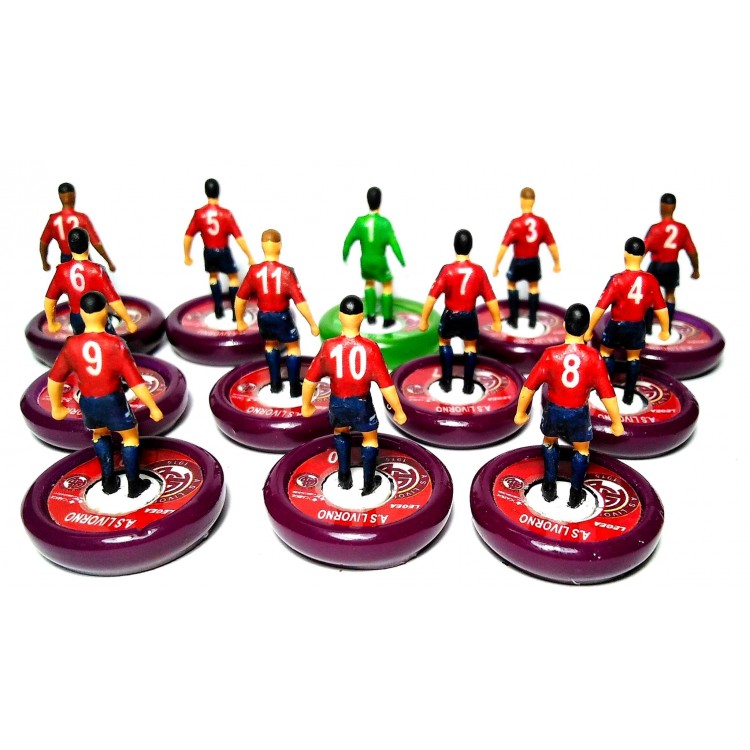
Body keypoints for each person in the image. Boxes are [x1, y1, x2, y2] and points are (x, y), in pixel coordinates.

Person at [47, 292, 164, 498]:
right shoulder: (116, 344)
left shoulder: (71, 344)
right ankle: (134, 485)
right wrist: (152, 407)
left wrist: (56, 406)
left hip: (88, 402)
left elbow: (55, 379)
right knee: (130, 437)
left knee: (99, 434)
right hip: (113, 400)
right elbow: (135, 382)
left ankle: (108, 482)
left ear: (82, 314)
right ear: (105, 312)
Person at [514, 303, 624, 509]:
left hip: (554, 410)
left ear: (564, 325)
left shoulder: (550, 354)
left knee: (549, 442)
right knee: (582, 450)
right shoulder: (594, 358)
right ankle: (575, 494)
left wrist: (521, 412)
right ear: (586, 328)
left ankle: (549, 487)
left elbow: (529, 386)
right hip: (579, 414)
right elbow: (607, 394)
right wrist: (616, 422)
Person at [301, 295, 407, 496]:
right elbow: (386, 386)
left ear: (340, 317)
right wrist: (398, 411)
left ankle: (344, 477)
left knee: (340, 432)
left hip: (337, 402)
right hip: (361, 403)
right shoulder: (371, 348)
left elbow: (310, 380)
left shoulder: (328, 347)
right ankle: (369, 482)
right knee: (370, 438)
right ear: (362, 317)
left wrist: (306, 404)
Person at [585, 237, 670, 405]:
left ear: (625, 254)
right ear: (643, 255)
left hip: (617, 324)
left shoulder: (617, 279)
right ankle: (629, 396)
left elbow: (600, 307)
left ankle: (605, 392)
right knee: (633, 357)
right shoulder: (651, 280)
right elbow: (661, 308)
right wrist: (665, 329)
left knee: (606, 352)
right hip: (638, 326)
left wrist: (589, 329)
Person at [235, 229, 319, 396]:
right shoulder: (287, 272)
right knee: (293, 346)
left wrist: (240, 320)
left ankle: (275, 384)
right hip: (282, 316)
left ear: (262, 246)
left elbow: (240, 299)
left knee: (270, 344)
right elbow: (300, 301)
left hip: (264, 317)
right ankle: (294, 387)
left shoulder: (254, 272)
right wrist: (312, 323)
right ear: (279, 246)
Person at [419, 229, 502, 395]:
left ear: (454, 246)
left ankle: (446, 382)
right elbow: (491, 299)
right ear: (470, 246)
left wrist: (424, 319)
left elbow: (431, 297)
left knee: (444, 342)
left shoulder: (447, 270)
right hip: (469, 317)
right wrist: (497, 321)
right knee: (470, 346)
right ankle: (468, 385)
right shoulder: (478, 271)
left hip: (450, 315)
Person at [44, 227, 138, 335]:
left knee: (80, 340)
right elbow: (113, 300)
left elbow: (49, 300)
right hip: (97, 316)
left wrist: (51, 323)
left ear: (69, 246)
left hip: (76, 317)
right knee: (108, 339)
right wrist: (129, 321)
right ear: (88, 244)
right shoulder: (97, 270)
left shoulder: (62, 271)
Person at [184, 178, 255, 319]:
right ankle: (235, 311)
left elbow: (188, 236)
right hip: (223, 250)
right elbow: (239, 237)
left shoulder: (199, 214)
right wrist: (249, 255)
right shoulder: (226, 214)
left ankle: (218, 308)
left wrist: (187, 255)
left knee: (213, 276)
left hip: (209, 251)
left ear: (206, 192)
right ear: (218, 191)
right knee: (233, 277)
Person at [492, 187, 560, 328]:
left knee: (511, 284)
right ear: (533, 201)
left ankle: (514, 319)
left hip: (519, 260)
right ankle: (533, 320)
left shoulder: (516, 223)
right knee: (534, 286)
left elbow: (504, 246)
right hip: (534, 261)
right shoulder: (541, 222)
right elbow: (552, 245)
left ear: (521, 201)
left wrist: (496, 265)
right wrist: (557, 262)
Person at [342, 186, 405, 327]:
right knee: (387, 285)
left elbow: (348, 240)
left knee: (369, 283)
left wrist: (345, 254)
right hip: (379, 261)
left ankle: (371, 316)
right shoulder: (384, 223)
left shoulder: (360, 222)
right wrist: (402, 260)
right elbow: (394, 244)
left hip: (365, 261)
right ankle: (387, 319)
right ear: (380, 201)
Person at [644, 192, 700, 332]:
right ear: (673, 207)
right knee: (670, 294)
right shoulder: (682, 229)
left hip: (656, 265)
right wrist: (695, 269)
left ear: (662, 207)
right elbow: (692, 252)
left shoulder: (655, 228)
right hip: (672, 266)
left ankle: (648, 328)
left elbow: (643, 249)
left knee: (650, 295)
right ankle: (666, 328)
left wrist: (633, 267)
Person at [39, 182, 116, 272]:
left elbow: (43, 243)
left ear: (60, 196)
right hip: (83, 257)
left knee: (67, 279)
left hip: (65, 259)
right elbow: (96, 242)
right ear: (74, 196)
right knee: (88, 278)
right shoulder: (82, 218)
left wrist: (44, 263)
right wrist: (109, 262)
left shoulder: (53, 219)